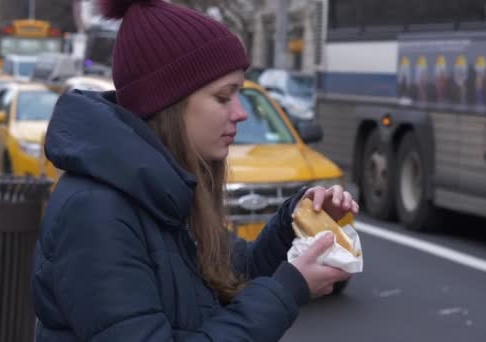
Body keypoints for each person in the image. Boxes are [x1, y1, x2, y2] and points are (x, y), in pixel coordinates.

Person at [31, 0, 359, 341]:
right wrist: (287, 290)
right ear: (169, 104)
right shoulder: (96, 212)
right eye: (223, 97)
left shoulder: (160, 187)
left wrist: (292, 224)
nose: (240, 113)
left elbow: (230, 270)